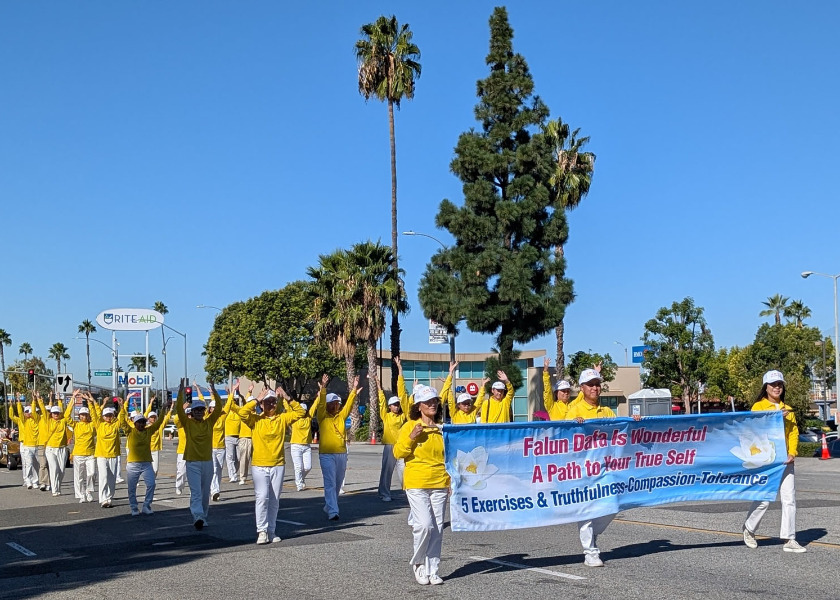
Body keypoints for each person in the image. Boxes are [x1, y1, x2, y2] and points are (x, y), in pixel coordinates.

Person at [567, 368, 640, 567]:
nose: (595, 388)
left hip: (605, 468)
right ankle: (590, 552)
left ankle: (592, 535)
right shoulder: (574, 409)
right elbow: (563, 436)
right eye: (590, 384)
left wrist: (632, 422)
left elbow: (619, 429)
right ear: (582, 388)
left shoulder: (606, 411)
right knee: (587, 510)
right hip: (582, 469)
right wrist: (574, 424)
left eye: (597, 384)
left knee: (614, 504)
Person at [742, 370, 806, 553]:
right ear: (766, 387)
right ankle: (749, 529)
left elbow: (793, 433)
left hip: (786, 460)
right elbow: (755, 429)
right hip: (766, 459)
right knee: (764, 499)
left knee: (789, 499)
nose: (776, 388)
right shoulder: (758, 407)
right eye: (773, 385)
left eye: (779, 384)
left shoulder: (788, 409)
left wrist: (792, 453)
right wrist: (777, 417)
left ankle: (789, 539)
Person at [393, 385, 450, 586]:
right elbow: (398, 453)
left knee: (437, 529)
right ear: (418, 406)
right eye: (427, 402)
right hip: (417, 482)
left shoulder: (442, 429)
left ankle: (433, 569)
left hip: (440, 483)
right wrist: (411, 438)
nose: (432, 404)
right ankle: (418, 563)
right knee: (424, 525)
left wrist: (450, 481)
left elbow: (450, 457)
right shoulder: (409, 426)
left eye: (434, 401)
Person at [235, 386, 305, 544]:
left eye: (273, 402)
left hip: (277, 464)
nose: (271, 405)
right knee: (262, 497)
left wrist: (287, 398)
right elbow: (242, 413)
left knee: (274, 500)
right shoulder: (256, 419)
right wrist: (257, 399)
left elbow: (301, 413)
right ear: (262, 405)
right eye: (267, 402)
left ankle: (271, 531)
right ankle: (261, 531)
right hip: (259, 465)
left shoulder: (282, 418)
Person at [175, 381, 224, 530]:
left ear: (204, 411)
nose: (198, 412)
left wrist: (214, 392)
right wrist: (181, 392)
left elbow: (219, 408)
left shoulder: (209, 423)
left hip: (207, 462)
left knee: (204, 493)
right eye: (196, 410)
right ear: (191, 412)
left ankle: (203, 516)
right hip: (192, 462)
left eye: (201, 410)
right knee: (196, 492)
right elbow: (178, 410)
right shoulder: (187, 423)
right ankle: (197, 516)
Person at [315, 373, 360, 521]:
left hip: (341, 453)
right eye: (332, 403)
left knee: (338, 482)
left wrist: (353, 390)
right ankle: (333, 511)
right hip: (326, 454)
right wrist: (323, 388)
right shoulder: (322, 417)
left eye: (337, 403)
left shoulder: (341, 416)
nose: (336, 405)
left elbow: (348, 405)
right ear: (327, 404)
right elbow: (320, 405)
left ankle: (329, 505)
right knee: (330, 482)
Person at [121, 404, 170, 516]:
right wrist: (122, 408)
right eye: (139, 422)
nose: (142, 424)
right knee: (132, 488)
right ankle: (134, 508)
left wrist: (163, 410)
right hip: (133, 464)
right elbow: (122, 422)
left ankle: (146, 506)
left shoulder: (149, 431)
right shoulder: (130, 431)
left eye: (143, 422)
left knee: (151, 484)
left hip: (146, 464)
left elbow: (159, 422)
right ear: (135, 423)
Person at [374, 367, 409, 502]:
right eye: (394, 405)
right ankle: (384, 493)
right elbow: (381, 401)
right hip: (389, 447)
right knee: (387, 471)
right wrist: (378, 386)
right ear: (389, 406)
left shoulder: (403, 416)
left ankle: (408, 492)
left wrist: (401, 374)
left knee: (404, 471)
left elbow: (405, 400)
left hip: (400, 446)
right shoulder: (386, 415)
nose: (396, 406)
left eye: (397, 404)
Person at [90, 396, 123, 508]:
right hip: (101, 455)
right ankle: (103, 499)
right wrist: (92, 402)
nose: (108, 417)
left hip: (113, 455)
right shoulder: (99, 425)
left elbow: (122, 417)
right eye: (106, 415)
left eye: (110, 415)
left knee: (112, 480)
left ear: (113, 416)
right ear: (103, 417)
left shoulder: (115, 425)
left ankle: (109, 498)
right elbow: (95, 415)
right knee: (103, 476)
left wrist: (123, 406)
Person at [205, 385, 234, 502]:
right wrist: (212, 394)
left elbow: (228, 404)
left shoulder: (222, 417)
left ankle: (215, 490)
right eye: (212, 407)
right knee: (214, 469)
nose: (214, 409)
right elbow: (204, 402)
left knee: (219, 470)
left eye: (216, 407)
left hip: (221, 448)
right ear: (210, 409)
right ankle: (214, 491)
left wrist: (231, 393)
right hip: (210, 448)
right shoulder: (207, 418)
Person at [39, 392, 71, 496]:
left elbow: (68, 411)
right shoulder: (48, 421)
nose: (56, 414)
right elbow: (43, 410)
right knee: (54, 468)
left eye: (57, 413)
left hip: (62, 449)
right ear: (51, 414)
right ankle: (54, 490)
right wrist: (39, 400)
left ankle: (58, 487)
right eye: (54, 413)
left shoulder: (63, 421)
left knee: (61, 471)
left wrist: (72, 399)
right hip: (50, 449)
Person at [285, 393, 315, 492]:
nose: (303, 412)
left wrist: (319, 396)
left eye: (304, 411)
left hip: (306, 446)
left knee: (308, 467)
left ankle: (301, 479)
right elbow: (288, 408)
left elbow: (314, 407)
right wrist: (284, 398)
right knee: (298, 467)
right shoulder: (294, 419)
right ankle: (299, 484)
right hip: (295, 446)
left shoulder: (308, 418)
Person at [70, 392, 97, 502]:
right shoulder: (76, 425)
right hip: (78, 454)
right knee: (79, 476)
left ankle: (89, 491)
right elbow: (66, 416)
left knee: (92, 473)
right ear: (79, 416)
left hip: (90, 453)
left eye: (85, 415)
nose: (83, 416)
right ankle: (81, 494)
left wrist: (90, 403)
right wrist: (73, 399)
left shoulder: (92, 425)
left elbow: (96, 417)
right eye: (82, 415)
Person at [11, 399, 40, 489]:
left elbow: (37, 413)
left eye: (30, 412)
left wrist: (35, 401)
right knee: (26, 463)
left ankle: (35, 481)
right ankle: (27, 480)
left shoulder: (36, 420)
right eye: (27, 412)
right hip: (24, 444)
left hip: (35, 444)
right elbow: (14, 415)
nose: (29, 414)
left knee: (35, 464)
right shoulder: (22, 420)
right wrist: (15, 404)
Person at [237, 382, 255, 486]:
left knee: (256, 459)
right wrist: (248, 392)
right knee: (244, 459)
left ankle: (256, 476)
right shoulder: (243, 411)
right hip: (244, 438)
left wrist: (250, 390)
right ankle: (242, 477)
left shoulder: (256, 414)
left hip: (255, 438)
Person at [224, 383, 242, 483]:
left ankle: (235, 471)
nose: (233, 403)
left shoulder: (238, 411)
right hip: (228, 437)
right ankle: (233, 475)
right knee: (230, 457)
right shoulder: (226, 412)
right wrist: (230, 393)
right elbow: (229, 403)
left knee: (239, 458)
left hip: (238, 437)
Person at [143, 398, 164, 475]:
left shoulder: (158, 427)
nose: (153, 418)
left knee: (155, 469)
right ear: (148, 418)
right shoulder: (145, 427)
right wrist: (151, 403)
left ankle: (151, 482)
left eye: (154, 417)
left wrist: (170, 409)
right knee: (147, 470)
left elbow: (164, 419)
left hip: (155, 450)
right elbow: (144, 416)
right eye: (151, 417)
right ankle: (149, 484)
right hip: (147, 450)